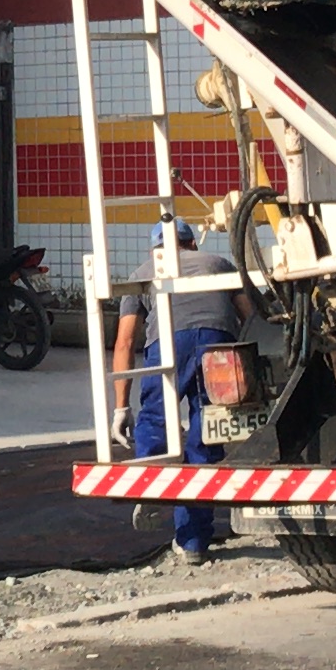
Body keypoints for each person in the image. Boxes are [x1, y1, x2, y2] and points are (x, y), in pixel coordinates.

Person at [111, 218, 238, 563]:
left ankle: (152, 485)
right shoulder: (219, 263)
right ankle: (194, 543)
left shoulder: (144, 270)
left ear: (156, 249)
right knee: (206, 435)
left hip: (168, 342)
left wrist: (120, 406)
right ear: (192, 244)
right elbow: (251, 316)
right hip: (219, 341)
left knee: (156, 417)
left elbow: (125, 341)